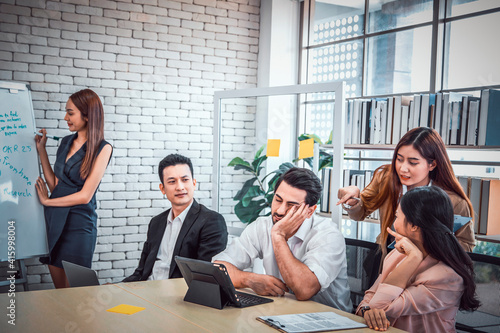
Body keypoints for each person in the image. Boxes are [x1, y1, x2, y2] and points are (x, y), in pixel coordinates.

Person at [213, 167, 352, 312]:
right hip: (281, 313)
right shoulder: (262, 225)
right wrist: (248, 279)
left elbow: (304, 289)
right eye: (278, 200)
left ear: (309, 211)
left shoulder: (328, 235)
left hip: (330, 320)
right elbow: (218, 267)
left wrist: (278, 236)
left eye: (291, 206)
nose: (279, 211)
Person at [356, 186, 480, 332]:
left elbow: (380, 306)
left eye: (397, 216)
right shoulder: (397, 255)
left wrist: (414, 258)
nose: (393, 224)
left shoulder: (447, 277)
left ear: (414, 225)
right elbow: (368, 300)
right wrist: (366, 310)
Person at [337, 127, 475, 257]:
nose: (403, 168)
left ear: (432, 164)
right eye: (399, 159)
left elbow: (466, 246)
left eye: (413, 162)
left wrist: (430, 249)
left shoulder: (454, 202)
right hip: (386, 260)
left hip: (426, 270)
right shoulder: (386, 178)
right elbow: (360, 212)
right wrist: (354, 199)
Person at [35, 89, 113, 289]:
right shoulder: (65, 142)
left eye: (70, 113)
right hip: (55, 221)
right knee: (60, 293)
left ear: (86, 115)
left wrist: (47, 201)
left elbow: (85, 196)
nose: (65, 117)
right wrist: (41, 150)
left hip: (79, 226)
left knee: (75, 294)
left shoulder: (103, 148)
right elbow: (55, 185)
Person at [123, 154, 228, 282]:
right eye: (172, 182)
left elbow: (204, 278)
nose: (180, 187)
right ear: (162, 188)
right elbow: (141, 272)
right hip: (146, 290)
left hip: (178, 295)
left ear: (194, 183)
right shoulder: (156, 222)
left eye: (185, 180)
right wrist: (117, 287)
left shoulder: (212, 221)